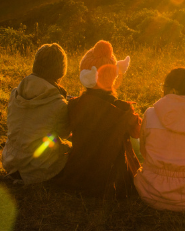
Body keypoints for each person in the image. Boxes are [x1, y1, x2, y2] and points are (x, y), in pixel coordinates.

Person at [55, 40, 141, 198]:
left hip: (77, 174)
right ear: (113, 77)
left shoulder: (74, 106)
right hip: (111, 180)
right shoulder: (123, 110)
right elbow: (138, 133)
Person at [134, 67, 185, 211]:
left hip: (149, 192)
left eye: (164, 87)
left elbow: (144, 152)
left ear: (173, 90)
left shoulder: (150, 114)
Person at [1, 43, 71, 184]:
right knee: (69, 149)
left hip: (10, 161)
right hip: (38, 169)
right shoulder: (58, 104)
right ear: (61, 71)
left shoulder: (15, 93)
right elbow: (64, 133)